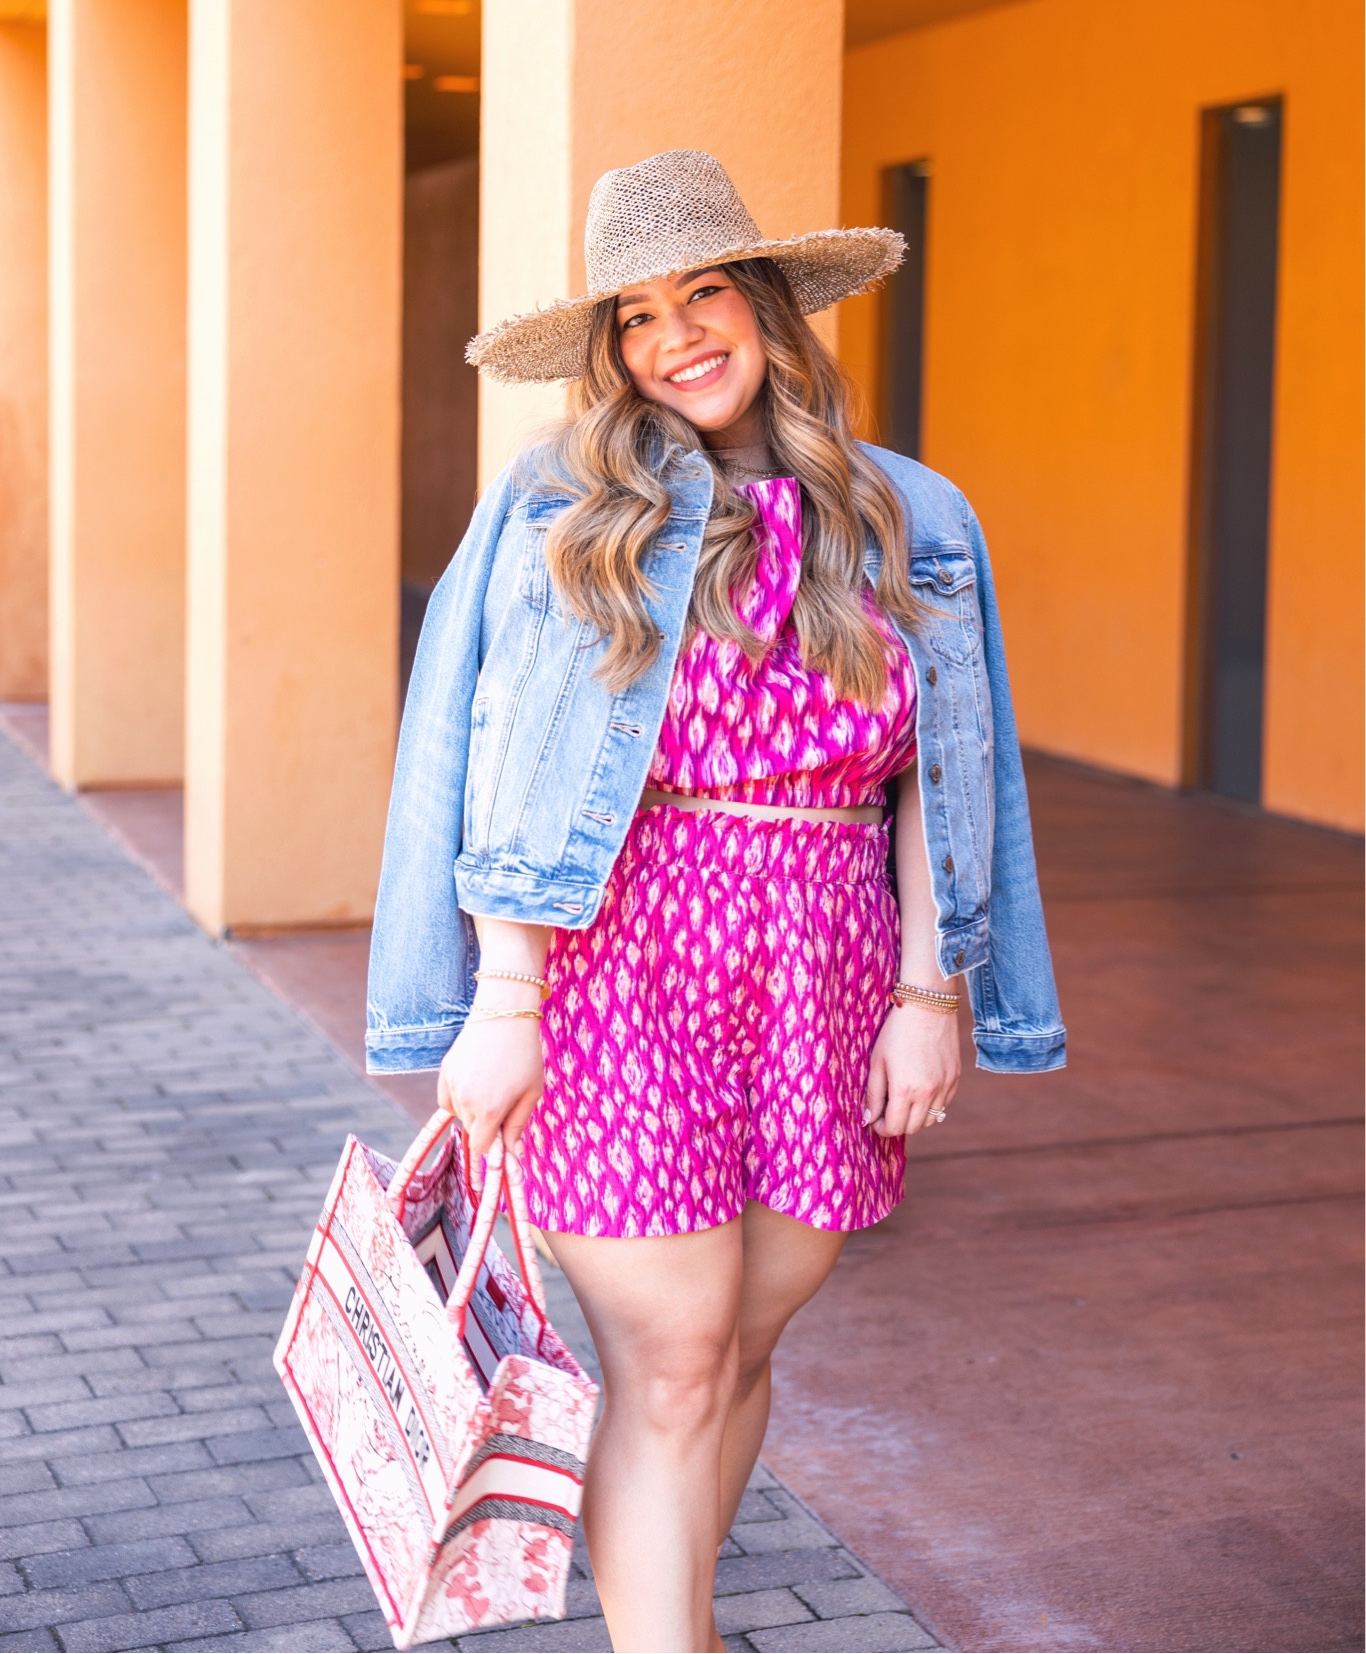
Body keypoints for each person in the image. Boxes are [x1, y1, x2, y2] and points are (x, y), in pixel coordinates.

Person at [366, 150, 1065, 1653]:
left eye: (700, 294)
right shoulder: (567, 504)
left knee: (742, 1342)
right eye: (632, 314)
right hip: (623, 964)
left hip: (829, 969)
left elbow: (938, 777)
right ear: (608, 350)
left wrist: (930, 993)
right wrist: (500, 1002)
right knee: (671, 1356)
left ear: (763, 306)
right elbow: (499, 756)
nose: (672, 334)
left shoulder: (904, 513)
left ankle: (668, 1598)